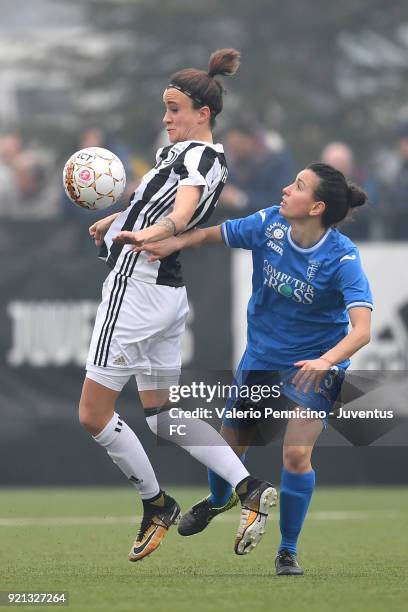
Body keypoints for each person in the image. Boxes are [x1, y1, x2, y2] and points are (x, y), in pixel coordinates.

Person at [79, 48, 276, 564]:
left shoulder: (197, 157)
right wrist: (118, 217)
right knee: (163, 416)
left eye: (173, 109)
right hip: (168, 293)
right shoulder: (188, 156)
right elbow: (164, 201)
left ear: (202, 113)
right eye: (165, 109)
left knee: (93, 415)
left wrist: (153, 231)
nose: (166, 118)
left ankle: (156, 504)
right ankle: (250, 488)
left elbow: (182, 210)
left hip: (136, 288)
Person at [133, 162, 373, 575]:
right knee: (228, 452)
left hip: (312, 367)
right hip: (261, 359)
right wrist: (174, 243)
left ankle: (288, 550)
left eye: (296, 186)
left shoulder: (342, 257)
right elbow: (214, 234)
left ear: (316, 207)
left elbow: (363, 330)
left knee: (296, 455)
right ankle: (217, 501)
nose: (284, 189)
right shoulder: (268, 224)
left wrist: (326, 360)